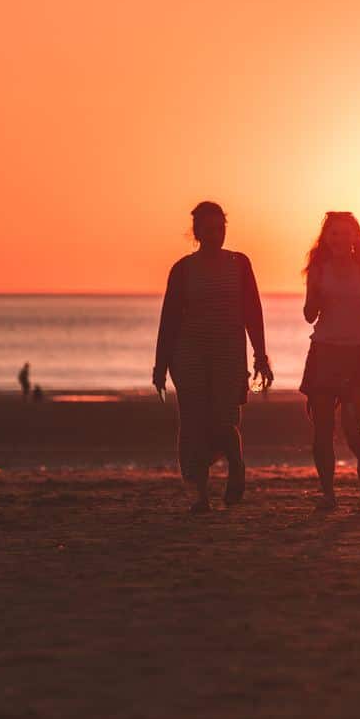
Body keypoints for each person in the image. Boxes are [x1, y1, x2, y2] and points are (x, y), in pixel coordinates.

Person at [153, 201, 273, 513]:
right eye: (209, 230)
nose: (216, 235)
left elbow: (252, 311)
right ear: (196, 233)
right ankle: (201, 495)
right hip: (189, 353)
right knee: (194, 424)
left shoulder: (239, 264)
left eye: (220, 229)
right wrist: (160, 365)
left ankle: (236, 465)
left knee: (225, 421)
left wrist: (261, 355)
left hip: (229, 353)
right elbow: (169, 320)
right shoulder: (183, 270)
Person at [300, 212, 360, 508]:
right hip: (324, 351)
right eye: (334, 233)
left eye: (346, 233)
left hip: (359, 352)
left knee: (352, 425)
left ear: (354, 237)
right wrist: (315, 297)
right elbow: (309, 314)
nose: (340, 239)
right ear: (326, 238)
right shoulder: (318, 268)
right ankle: (328, 493)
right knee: (322, 427)